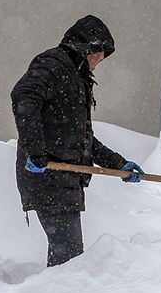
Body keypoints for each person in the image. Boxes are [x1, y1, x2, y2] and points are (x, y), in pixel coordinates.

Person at [11, 15, 144, 267]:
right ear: (83, 47)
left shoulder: (75, 77)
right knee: (68, 257)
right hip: (47, 177)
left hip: (64, 182)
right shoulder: (53, 65)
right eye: (97, 55)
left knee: (67, 257)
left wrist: (120, 164)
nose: (98, 62)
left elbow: (83, 139)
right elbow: (24, 96)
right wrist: (35, 151)